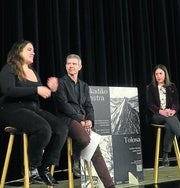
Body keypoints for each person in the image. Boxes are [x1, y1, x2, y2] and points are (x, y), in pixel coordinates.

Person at [0, 40, 68, 186]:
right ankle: (31, 169)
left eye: (34, 50)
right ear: (18, 52)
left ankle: (44, 168)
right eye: (29, 49)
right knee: (43, 128)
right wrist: (37, 89)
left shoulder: (34, 72)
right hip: (13, 109)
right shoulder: (9, 68)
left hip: (33, 109)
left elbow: (38, 95)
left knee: (61, 128)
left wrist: (50, 90)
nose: (33, 52)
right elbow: (8, 90)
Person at [54, 54, 115, 188]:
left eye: (74, 64)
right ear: (65, 66)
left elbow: (89, 106)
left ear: (80, 67)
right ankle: (75, 158)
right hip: (67, 119)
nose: (71, 66)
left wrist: (90, 120)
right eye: (68, 63)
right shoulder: (61, 83)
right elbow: (63, 105)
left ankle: (110, 185)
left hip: (82, 120)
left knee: (96, 151)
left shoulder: (84, 85)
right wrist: (79, 119)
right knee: (84, 139)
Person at [146, 64, 180, 167]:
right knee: (171, 119)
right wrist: (161, 111)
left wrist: (173, 110)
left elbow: (176, 102)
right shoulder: (150, 88)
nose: (158, 76)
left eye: (160, 73)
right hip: (157, 116)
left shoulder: (171, 86)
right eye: (156, 74)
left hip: (170, 115)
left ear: (165, 74)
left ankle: (165, 156)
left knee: (170, 126)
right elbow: (150, 104)